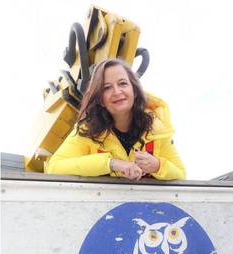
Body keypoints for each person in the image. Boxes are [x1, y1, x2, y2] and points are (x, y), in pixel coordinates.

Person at [45, 58, 186, 181]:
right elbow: (54, 167)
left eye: (123, 83)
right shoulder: (87, 131)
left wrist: (157, 166)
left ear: (135, 90)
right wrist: (111, 164)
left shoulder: (157, 128)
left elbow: (180, 174)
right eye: (107, 88)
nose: (117, 92)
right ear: (100, 99)